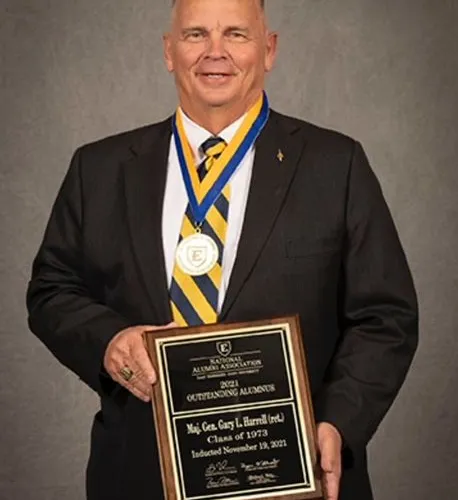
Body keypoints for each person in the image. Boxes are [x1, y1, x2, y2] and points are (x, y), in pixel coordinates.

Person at [26, 0, 418, 499]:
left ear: (269, 49)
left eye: (236, 34)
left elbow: (386, 315)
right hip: (140, 474)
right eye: (195, 35)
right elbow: (51, 290)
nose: (215, 53)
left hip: (294, 472)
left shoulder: (335, 165)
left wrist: (339, 422)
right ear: (169, 51)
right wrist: (108, 342)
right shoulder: (98, 169)